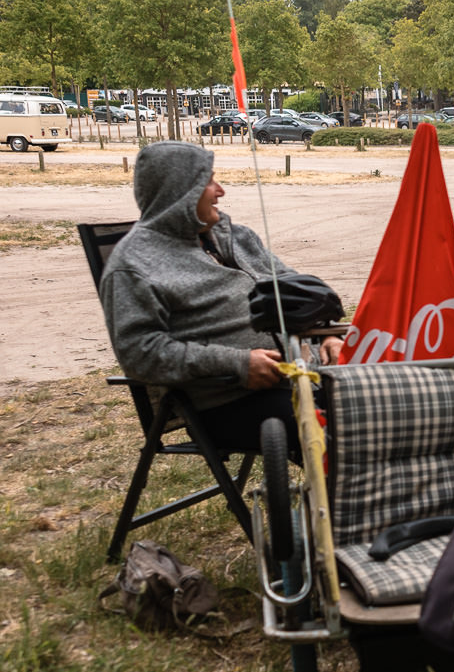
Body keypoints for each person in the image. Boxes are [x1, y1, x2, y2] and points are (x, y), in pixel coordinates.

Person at [97, 142, 342, 455]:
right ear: (180, 193)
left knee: (397, 393)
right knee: (351, 424)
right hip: (228, 402)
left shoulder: (234, 236)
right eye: (209, 181)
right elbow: (140, 354)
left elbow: (297, 291)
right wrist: (236, 363)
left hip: (303, 378)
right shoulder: (134, 265)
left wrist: (328, 334)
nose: (220, 190)